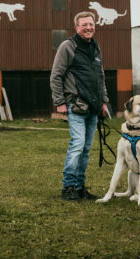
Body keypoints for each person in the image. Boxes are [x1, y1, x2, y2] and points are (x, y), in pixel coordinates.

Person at [50, 11, 109, 201]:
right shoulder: (68, 46)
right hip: (76, 106)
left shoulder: (96, 48)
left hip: (93, 108)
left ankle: (79, 187)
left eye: (91, 24)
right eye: (84, 25)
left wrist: (104, 102)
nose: (88, 27)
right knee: (77, 145)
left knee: (86, 149)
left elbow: (100, 77)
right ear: (76, 28)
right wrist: (59, 102)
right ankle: (68, 187)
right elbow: (56, 75)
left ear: (95, 26)